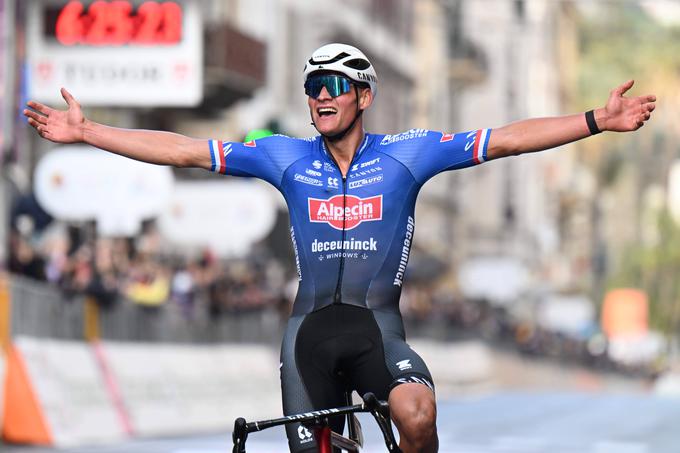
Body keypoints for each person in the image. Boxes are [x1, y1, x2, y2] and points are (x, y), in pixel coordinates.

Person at [24, 43, 655, 453]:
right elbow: (186, 147)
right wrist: (88, 132)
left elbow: (507, 139)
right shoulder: (284, 156)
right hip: (309, 338)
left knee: (416, 414)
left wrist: (596, 121)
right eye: (311, 86)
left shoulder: (408, 153)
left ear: (363, 95)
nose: (319, 96)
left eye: (332, 83)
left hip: (379, 331)